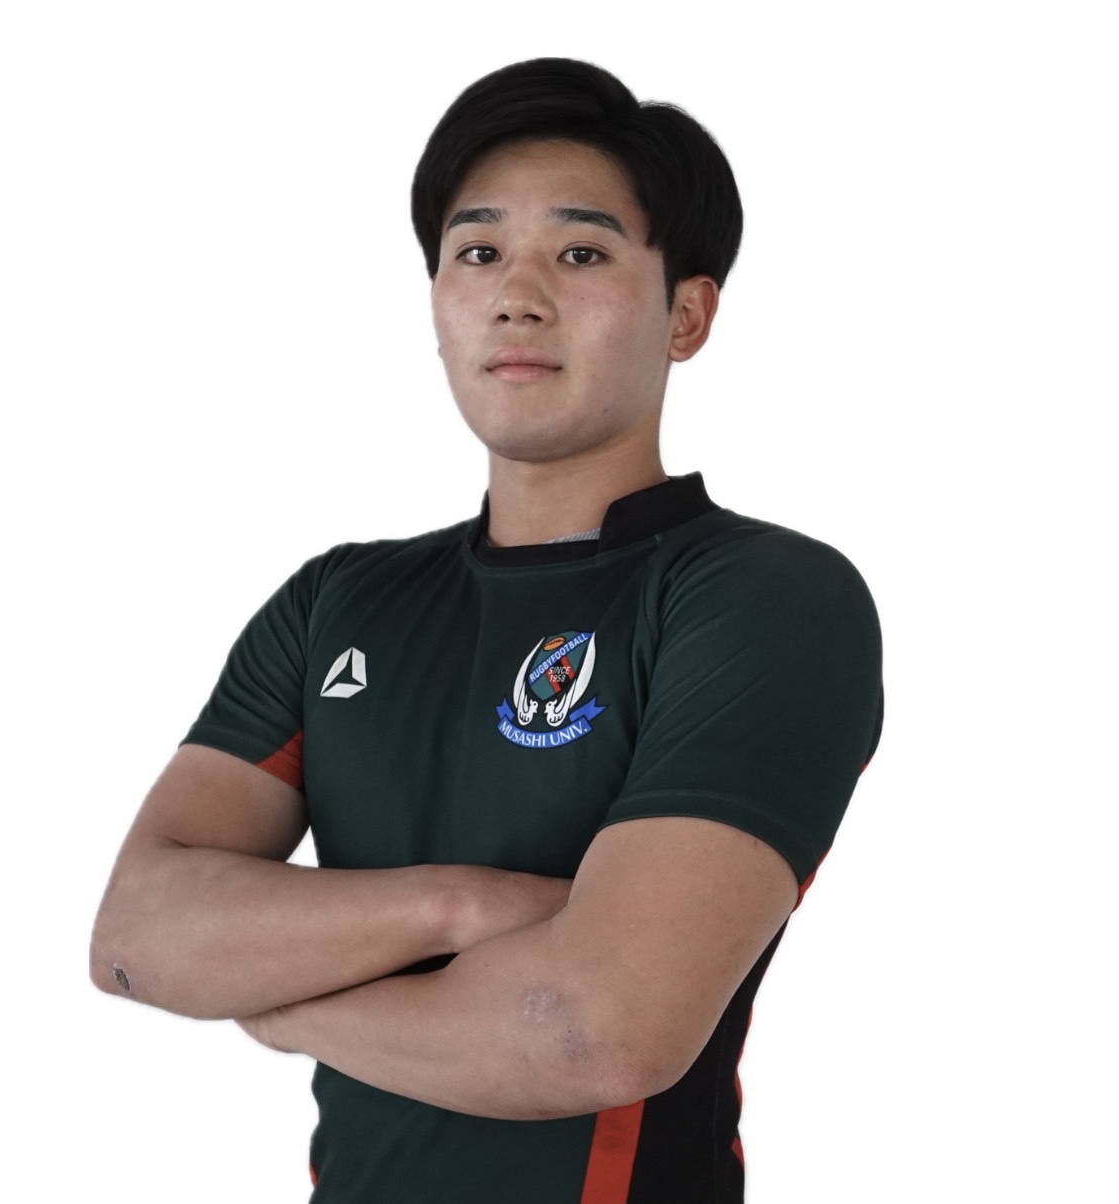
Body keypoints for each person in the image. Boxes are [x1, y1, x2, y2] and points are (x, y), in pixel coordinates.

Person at [90, 57, 883, 1203]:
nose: (518, 294)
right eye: (477, 253)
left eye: (581, 253)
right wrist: (462, 906)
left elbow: (594, 1031)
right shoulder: (337, 603)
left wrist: (268, 996)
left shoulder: (764, 595)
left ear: (688, 314)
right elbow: (135, 934)